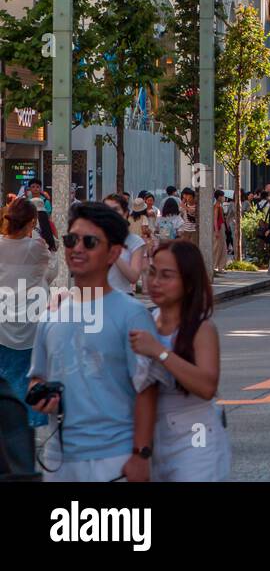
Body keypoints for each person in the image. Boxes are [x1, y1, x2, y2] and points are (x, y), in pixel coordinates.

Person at [27, 202, 161, 481]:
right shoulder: (51, 314)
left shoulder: (132, 314)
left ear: (113, 253)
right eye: (70, 240)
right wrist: (41, 395)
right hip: (59, 457)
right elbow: (36, 378)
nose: (77, 248)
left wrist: (141, 454)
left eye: (89, 242)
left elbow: (147, 390)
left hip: (115, 457)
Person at [127, 240, 231, 481]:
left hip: (197, 440)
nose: (155, 282)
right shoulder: (147, 321)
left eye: (166, 275)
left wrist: (160, 352)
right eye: (152, 272)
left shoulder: (201, 329)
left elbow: (207, 386)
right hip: (158, 438)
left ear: (188, 282)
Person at [0, 197, 56, 426]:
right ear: (31, 222)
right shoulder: (36, 247)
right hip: (31, 318)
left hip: (2, 317)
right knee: (29, 373)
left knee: (5, 371)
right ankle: (28, 424)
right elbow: (51, 270)